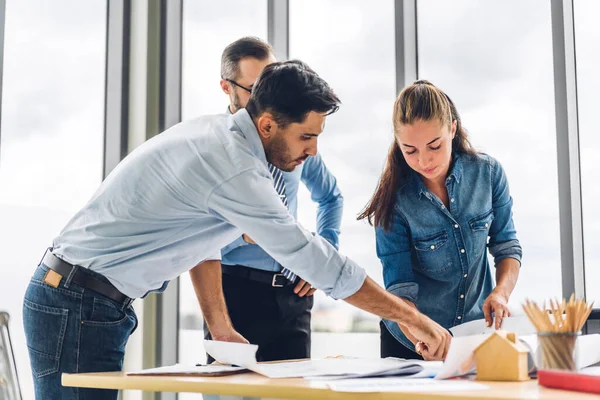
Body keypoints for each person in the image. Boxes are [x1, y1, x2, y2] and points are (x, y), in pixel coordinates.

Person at [22, 61, 451, 399]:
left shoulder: (220, 140)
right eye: (306, 136)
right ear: (267, 125)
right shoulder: (233, 168)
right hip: (77, 302)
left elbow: (199, 242)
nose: (313, 150)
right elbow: (311, 257)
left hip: (87, 300)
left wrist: (220, 327)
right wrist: (411, 318)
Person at [189, 37, 342, 362]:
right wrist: (242, 230)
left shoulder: (293, 144)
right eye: (254, 88)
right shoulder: (216, 147)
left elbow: (330, 197)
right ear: (226, 87)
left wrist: (323, 252)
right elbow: (197, 235)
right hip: (234, 294)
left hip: (292, 296)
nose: (265, 99)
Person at [359, 80, 522, 360]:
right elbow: (399, 291)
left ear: (453, 129)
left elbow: (506, 245)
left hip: (474, 333)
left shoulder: (488, 174)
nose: (424, 160)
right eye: (410, 150)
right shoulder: (393, 201)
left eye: (434, 145)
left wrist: (501, 294)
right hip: (411, 341)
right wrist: (424, 338)